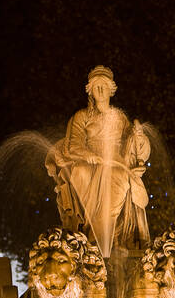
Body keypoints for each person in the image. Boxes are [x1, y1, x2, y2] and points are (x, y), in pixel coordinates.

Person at [45, 65, 150, 257]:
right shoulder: (81, 116)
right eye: (96, 86)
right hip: (88, 160)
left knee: (118, 176)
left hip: (116, 162)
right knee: (81, 173)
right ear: (90, 90)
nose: (100, 90)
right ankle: (91, 235)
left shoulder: (120, 117)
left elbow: (132, 146)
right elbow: (72, 145)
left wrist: (139, 138)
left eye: (104, 85)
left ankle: (104, 239)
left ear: (111, 89)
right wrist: (88, 155)